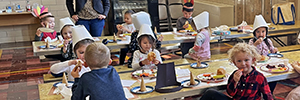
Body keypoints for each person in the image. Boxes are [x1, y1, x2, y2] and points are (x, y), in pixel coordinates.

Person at [200, 43, 273, 100]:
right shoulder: (235, 75)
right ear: (234, 63)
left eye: (246, 60)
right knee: (210, 93)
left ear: (253, 60)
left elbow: (268, 95)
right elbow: (230, 93)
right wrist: (235, 82)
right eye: (239, 61)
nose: (243, 64)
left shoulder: (259, 77)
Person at [249, 15, 278, 94]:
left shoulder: (268, 41)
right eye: (258, 32)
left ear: (266, 32)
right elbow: (248, 52)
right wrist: (255, 44)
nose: (260, 34)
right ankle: (259, 93)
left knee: (273, 77)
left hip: (267, 64)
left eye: (263, 31)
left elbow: (272, 51)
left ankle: (269, 92)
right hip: (256, 64)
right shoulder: (252, 41)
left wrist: (274, 50)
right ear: (255, 33)